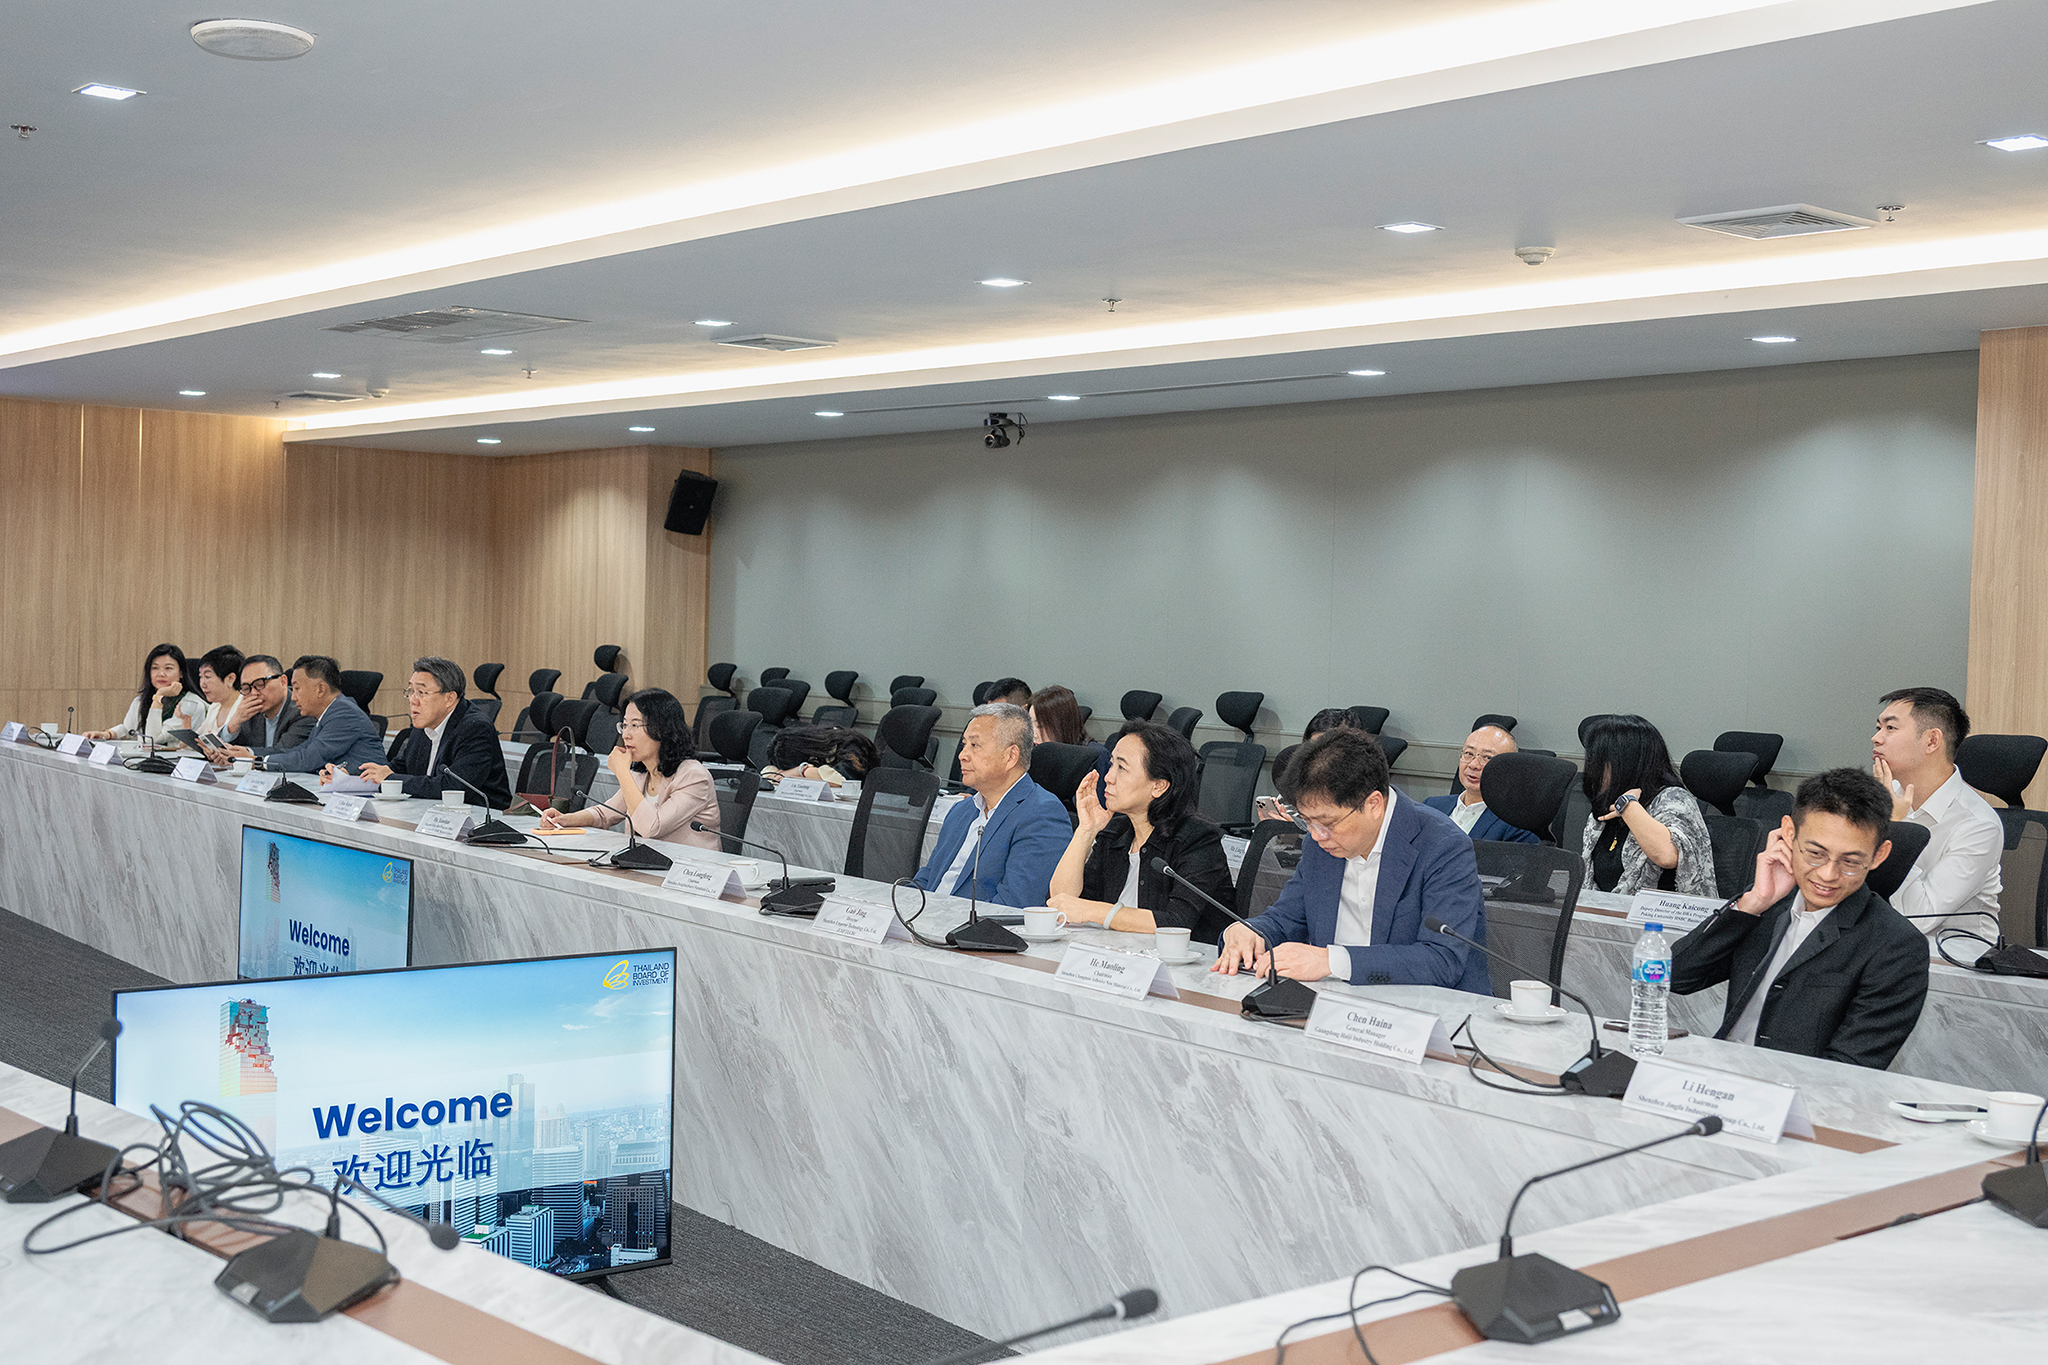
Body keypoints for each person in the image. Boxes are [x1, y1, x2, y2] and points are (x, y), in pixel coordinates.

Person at [1671, 768, 1929, 1069]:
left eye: (1850, 861)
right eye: (1816, 854)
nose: (1828, 874)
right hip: (1721, 1073)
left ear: (1879, 855)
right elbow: (1675, 977)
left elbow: (1849, 1068)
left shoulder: (1897, 946)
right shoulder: (1768, 904)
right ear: (1790, 834)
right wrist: (1752, 904)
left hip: (1798, 1090)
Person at [1214, 728, 1491, 991]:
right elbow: (1287, 918)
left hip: (1428, 1011)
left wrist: (1331, 961)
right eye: (1307, 821)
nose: (1316, 835)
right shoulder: (1319, 844)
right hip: (1332, 1003)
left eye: (1327, 823)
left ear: (1373, 804)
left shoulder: (1443, 846)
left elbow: (1442, 960)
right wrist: (1250, 931)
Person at [1047, 721, 1237, 942]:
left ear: (1159, 786)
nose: (1108, 777)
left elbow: (1176, 922)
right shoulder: (1115, 833)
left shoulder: (1198, 839)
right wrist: (1086, 831)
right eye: (1111, 764)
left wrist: (1091, 911)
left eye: (1122, 768)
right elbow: (1062, 901)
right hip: (1119, 955)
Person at [1871, 687, 2002, 947]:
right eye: (1878, 727)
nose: (1876, 738)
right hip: (1882, 944)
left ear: (1932, 741)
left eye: (1890, 728)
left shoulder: (1978, 825)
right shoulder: (1884, 794)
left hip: (1952, 957)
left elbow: (1917, 917)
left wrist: (1894, 828)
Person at [912, 702, 1070, 907]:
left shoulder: (1042, 814)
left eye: (975, 745)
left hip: (966, 925)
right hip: (925, 918)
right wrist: (902, 907)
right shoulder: (961, 810)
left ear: (1010, 756)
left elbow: (1013, 906)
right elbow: (927, 878)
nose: (962, 755)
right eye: (964, 744)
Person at [538, 688, 720, 850]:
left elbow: (652, 827)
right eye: (624, 725)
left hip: (691, 871)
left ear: (662, 729)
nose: (626, 734)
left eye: (635, 725)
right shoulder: (642, 774)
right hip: (648, 866)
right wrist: (565, 819)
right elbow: (604, 814)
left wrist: (622, 772)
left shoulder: (694, 776)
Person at [1578, 714, 1714, 896]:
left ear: (1624, 763)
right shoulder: (1605, 806)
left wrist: (1628, 806)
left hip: (1661, 912)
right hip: (1609, 910)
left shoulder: (1674, 799)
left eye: (1598, 761)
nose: (1592, 769)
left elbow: (1667, 856)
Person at [357, 657, 512, 808]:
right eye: (411, 691)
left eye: (421, 692)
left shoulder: (475, 728)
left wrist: (391, 778)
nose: (412, 700)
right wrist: (365, 775)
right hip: (431, 811)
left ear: (449, 698)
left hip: (479, 816)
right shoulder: (425, 723)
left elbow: (454, 787)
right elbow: (400, 768)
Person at [226, 655, 383, 775]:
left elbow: (308, 758)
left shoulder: (344, 714)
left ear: (320, 689)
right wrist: (250, 756)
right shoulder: (328, 714)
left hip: (368, 794)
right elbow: (298, 751)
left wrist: (256, 762)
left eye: (297, 689)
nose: (293, 697)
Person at [1424, 725, 1541, 844]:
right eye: (1469, 753)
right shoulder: (1431, 806)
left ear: (1510, 769)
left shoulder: (1517, 825)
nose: (1473, 765)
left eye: (1487, 757)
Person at [87, 643, 206, 742]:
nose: (161, 674)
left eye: (168, 668)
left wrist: (158, 697)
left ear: (181, 673)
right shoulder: (140, 700)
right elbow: (129, 729)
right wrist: (106, 734)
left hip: (176, 762)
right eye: (155, 668)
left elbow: (153, 739)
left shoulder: (192, 705)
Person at [1262, 708, 1364, 822]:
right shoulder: (1300, 775)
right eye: (1313, 746)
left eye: (1327, 747)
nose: (1318, 754)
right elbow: (1290, 814)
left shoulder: (1363, 784)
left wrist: (1298, 826)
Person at [216, 655, 314, 758]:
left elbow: (285, 753)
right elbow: (233, 747)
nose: (254, 693)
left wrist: (248, 754)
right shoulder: (251, 711)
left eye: (260, 684)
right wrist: (234, 723)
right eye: (246, 688)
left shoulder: (302, 710)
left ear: (283, 681)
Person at [1029, 684, 1110, 782]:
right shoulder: (1034, 754)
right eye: (1029, 724)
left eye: (1039, 726)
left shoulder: (1096, 756)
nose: (1032, 734)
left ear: (1061, 725)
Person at [763, 725, 879, 787]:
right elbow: (768, 772)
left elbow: (841, 780)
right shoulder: (810, 750)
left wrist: (801, 770)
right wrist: (789, 773)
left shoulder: (851, 744)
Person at [194, 646, 246, 737]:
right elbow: (197, 739)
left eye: (207, 676)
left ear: (230, 679)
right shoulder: (214, 707)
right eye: (201, 676)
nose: (202, 684)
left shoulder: (244, 708)